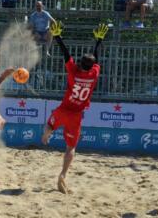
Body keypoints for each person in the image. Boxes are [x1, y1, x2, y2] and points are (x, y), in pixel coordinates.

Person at [41, 21, 108, 194]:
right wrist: (98, 41)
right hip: (77, 115)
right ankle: (63, 174)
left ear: (80, 64)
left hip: (64, 109)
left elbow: (66, 54)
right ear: (92, 67)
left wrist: (57, 36)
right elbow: (96, 58)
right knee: (71, 148)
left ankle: (46, 137)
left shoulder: (74, 71)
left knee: (49, 125)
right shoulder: (94, 74)